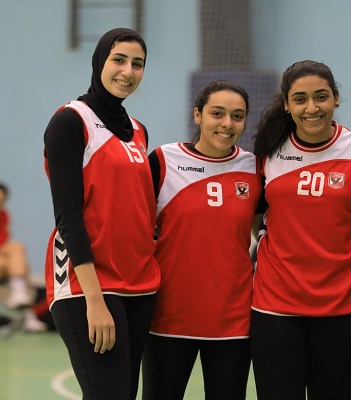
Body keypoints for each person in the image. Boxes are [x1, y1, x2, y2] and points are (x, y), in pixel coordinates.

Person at [250, 60, 351, 400]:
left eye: (321, 97)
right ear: (286, 104)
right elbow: (253, 219)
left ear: (336, 98)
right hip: (275, 305)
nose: (312, 108)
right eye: (300, 99)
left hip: (344, 306)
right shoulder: (268, 150)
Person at [43, 28, 160, 399]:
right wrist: (94, 300)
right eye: (118, 60)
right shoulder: (70, 122)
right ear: (99, 62)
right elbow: (68, 215)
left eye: (137, 64)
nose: (128, 71)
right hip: (88, 285)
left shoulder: (138, 131)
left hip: (138, 284)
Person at [141, 80, 262, 399]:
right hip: (168, 316)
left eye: (237, 116)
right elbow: (134, 226)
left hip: (232, 319)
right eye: (217, 113)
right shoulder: (163, 160)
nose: (227, 123)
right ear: (198, 115)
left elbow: (274, 227)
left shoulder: (254, 168)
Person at [0, 182, 48, 332]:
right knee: (16, 250)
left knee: (18, 253)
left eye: (1, 202)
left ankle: (21, 300)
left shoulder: (4, 215)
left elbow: (3, 241)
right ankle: (27, 313)